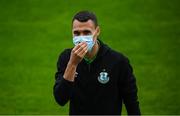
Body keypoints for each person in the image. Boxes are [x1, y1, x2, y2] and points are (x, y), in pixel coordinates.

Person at [53, 10, 141, 115]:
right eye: (76, 33)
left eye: (87, 32)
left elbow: (131, 103)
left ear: (97, 31)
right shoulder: (66, 58)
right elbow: (60, 99)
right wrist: (72, 64)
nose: (81, 38)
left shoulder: (118, 61)